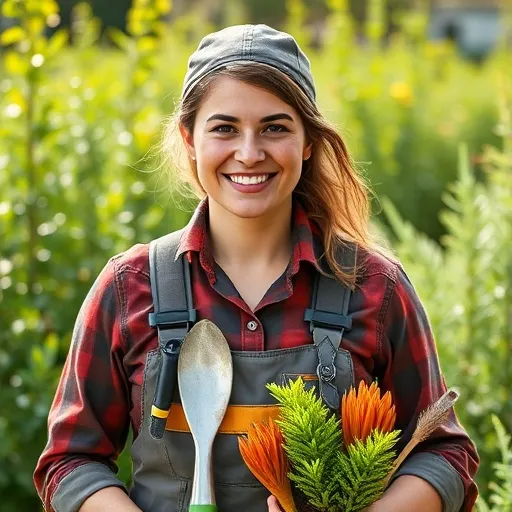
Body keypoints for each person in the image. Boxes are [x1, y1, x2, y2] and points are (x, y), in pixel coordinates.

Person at [34, 24, 479, 512]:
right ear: (189, 140)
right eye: (224, 128)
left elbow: (443, 453)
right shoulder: (130, 287)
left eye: (275, 127)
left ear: (308, 141)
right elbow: (71, 461)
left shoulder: (374, 287)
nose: (249, 152)